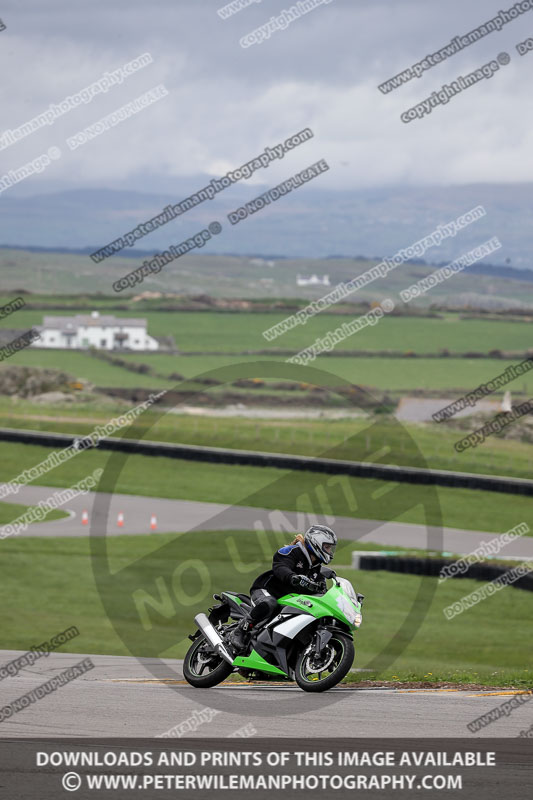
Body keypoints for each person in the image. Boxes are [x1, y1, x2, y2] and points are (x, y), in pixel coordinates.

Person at [230, 524, 337, 651]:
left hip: (288, 601)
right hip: (267, 591)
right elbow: (280, 567)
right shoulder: (291, 551)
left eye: (330, 548)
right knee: (269, 603)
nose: (329, 551)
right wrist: (293, 577)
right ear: (316, 542)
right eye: (327, 547)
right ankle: (239, 631)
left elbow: (321, 591)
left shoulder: (317, 569)